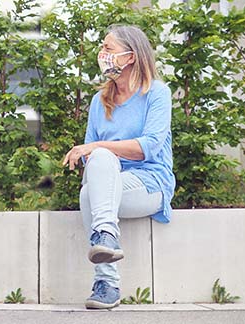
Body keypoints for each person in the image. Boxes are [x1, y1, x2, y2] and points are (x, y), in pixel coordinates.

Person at [62, 25, 175, 310]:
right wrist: (96, 154)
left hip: (150, 184)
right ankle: (107, 254)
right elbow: (91, 159)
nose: (102, 55)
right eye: (102, 49)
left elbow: (147, 147)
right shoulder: (99, 102)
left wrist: (97, 150)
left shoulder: (156, 93)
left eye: (108, 49)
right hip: (111, 185)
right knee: (93, 182)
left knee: (97, 165)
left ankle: (106, 278)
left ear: (131, 56)